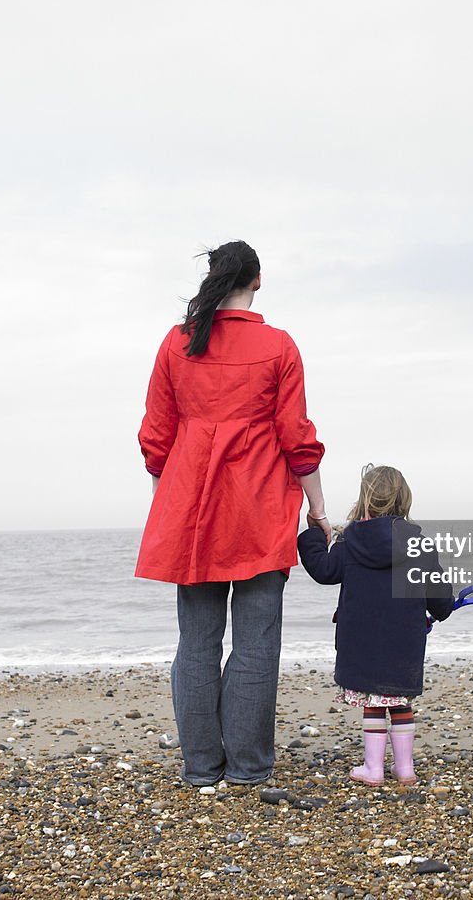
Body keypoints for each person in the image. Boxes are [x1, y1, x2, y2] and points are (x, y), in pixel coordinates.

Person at [136, 240, 328, 786]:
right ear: (258, 281)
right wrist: (316, 507)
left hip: (192, 506)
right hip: (260, 506)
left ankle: (201, 767)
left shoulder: (178, 343)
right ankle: (248, 767)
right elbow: (297, 436)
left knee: (196, 641)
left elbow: (156, 437)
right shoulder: (279, 345)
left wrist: (167, 499)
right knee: (256, 641)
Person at [297, 464, 452, 786]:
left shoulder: (350, 541)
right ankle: (405, 768)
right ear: (404, 499)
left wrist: (312, 535)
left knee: (373, 703)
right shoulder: (418, 544)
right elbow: (437, 596)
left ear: (364, 499)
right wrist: (443, 609)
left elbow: (325, 571)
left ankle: (374, 769)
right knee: (398, 701)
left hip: (361, 639)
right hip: (404, 639)